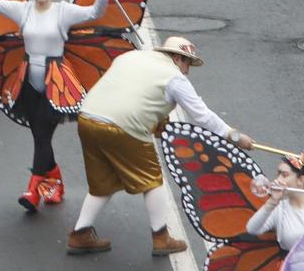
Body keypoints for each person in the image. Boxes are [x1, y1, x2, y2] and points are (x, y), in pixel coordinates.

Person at [69, 36, 253, 255]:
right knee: (153, 180)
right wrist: (233, 136)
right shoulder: (174, 78)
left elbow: (137, 95)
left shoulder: (131, 56)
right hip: (124, 126)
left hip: (88, 118)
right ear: (177, 57)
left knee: (102, 183)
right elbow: (201, 115)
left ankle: (80, 233)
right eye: (187, 63)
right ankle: (161, 237)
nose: (187, 71)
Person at [0, 0, 111, 212]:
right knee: (39, 137)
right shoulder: (24, 10)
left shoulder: (63, 11)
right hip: (28, 82)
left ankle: (33, 191)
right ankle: (55, 182)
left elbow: (94, 13)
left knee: (42, 138)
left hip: (56, 83)